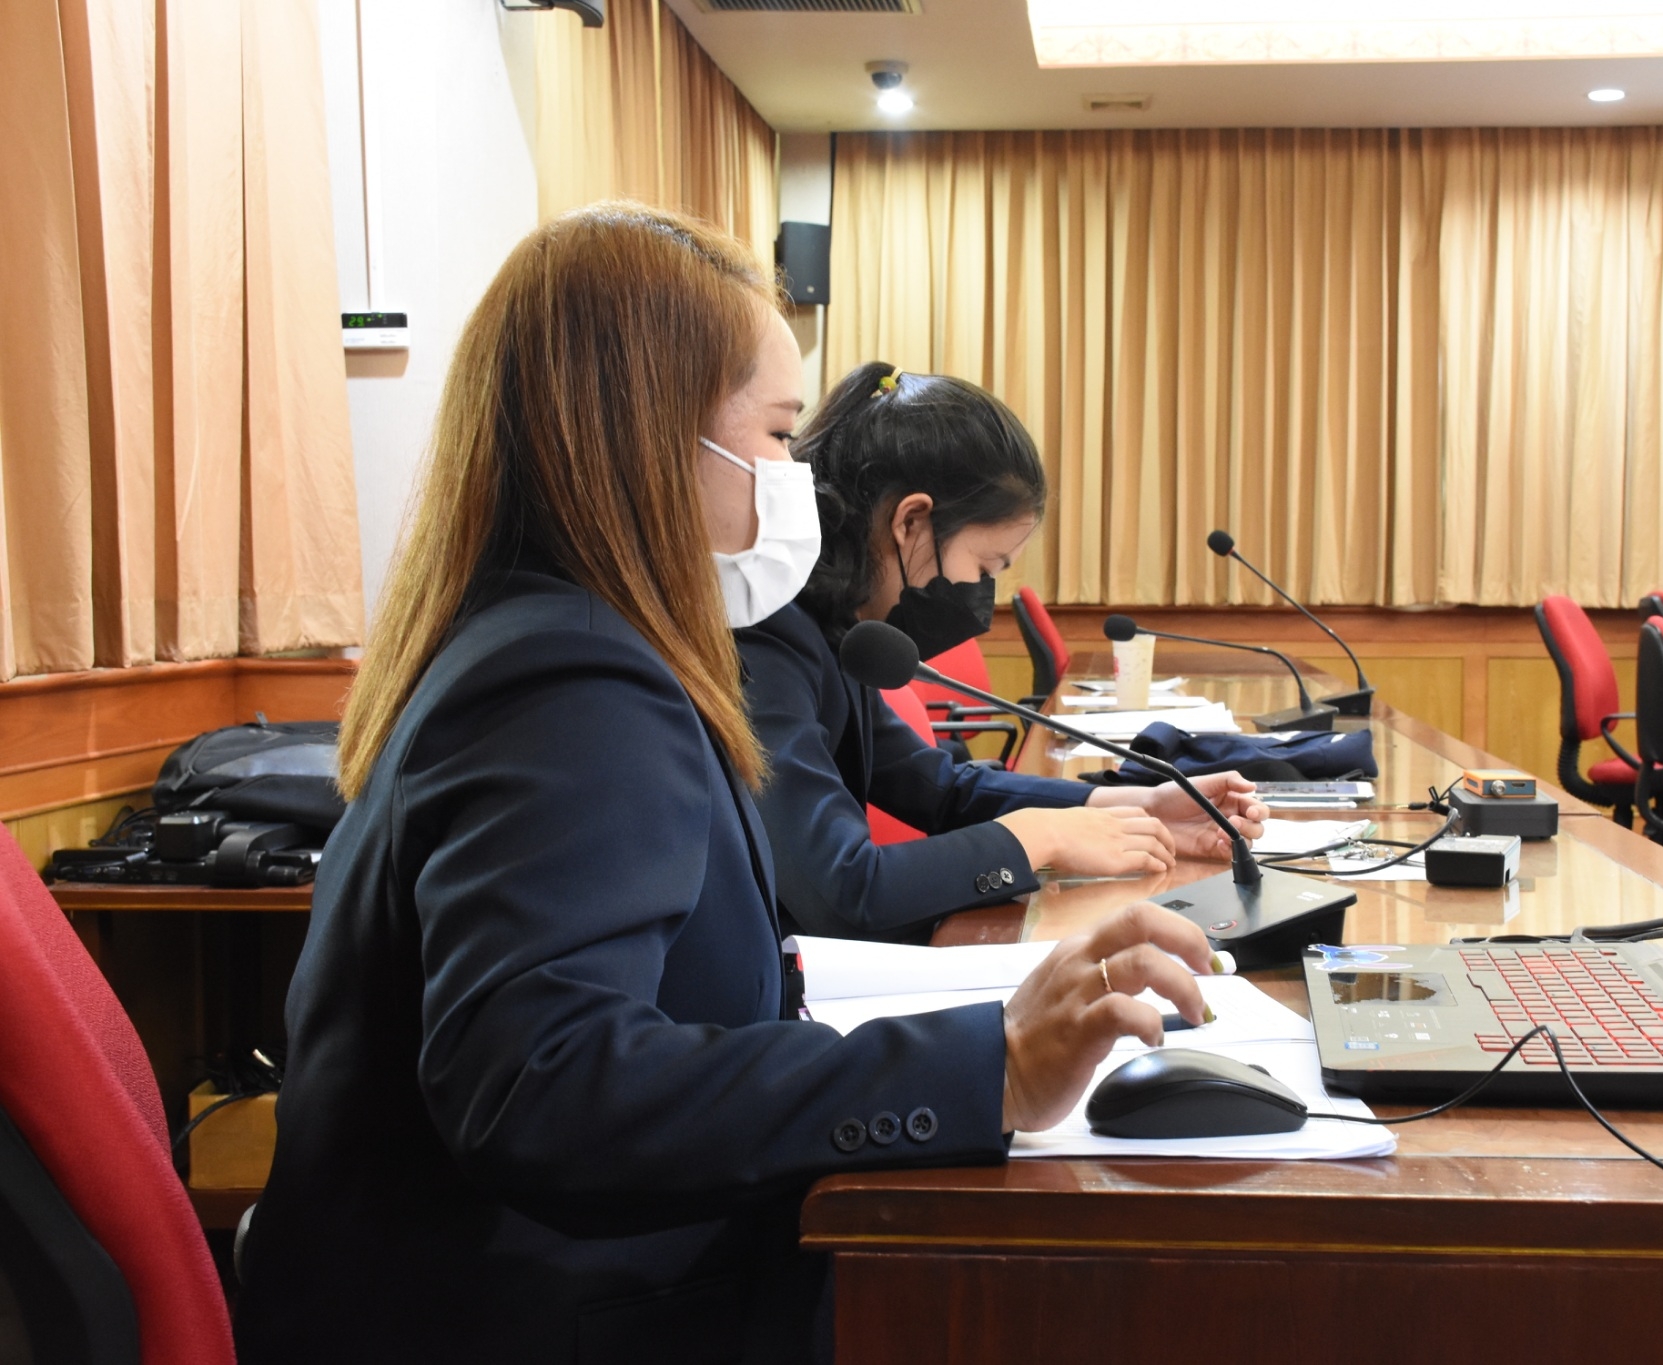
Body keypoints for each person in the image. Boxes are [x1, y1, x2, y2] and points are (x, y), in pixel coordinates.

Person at [231, 204, 1218, 1365]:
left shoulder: (554, 639)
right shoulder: (572, 681)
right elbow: (549, 1088)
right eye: (778, 436)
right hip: (549, 1314)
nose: (796, 478)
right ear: (650, 438)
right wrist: (988, 1064)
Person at [735, 362, 1268, 942]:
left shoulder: (836, 626)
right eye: (986, 566)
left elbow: (940, 788)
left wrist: (1142, 804)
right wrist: (1040, 838)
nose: (984, 592)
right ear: (910, 521)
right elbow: (842, 888)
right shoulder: (769, 635)